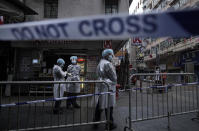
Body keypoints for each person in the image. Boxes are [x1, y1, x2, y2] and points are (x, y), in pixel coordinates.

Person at [93, 49, 117, 130]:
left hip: (102, 87)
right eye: (110, 54)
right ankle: (110, 124)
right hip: (108, 88)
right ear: (106, 55)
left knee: (100, 105)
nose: (111, 56)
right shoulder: (107, 64)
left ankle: (95, 122)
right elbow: (114, 77)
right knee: (109, 106)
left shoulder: (100, 63)